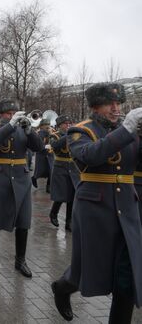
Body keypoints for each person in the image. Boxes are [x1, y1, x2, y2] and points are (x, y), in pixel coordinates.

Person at [52, 83, 142, 323]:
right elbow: (90, 155)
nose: (115, 108)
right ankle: (63, 287)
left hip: (127, 207)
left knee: (127, 276)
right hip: (95, 208)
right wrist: (127, 129)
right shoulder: (80, 131)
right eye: (108, 104)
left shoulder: (131, 130)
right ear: (95, 106)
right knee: (87, 268)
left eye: (118, 103)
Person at [0, 99, 43, 278]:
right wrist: (10, 125)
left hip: (21, 175)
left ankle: (20, 260)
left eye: (15, 113)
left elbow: (38, 147)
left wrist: (29, 130)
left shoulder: (23, 128)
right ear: (2, 115)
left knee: (23, 220)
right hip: (1, 175)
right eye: (9, 113)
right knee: (3, 216)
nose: (13, 116)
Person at [48, 115, 78, 231]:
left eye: (69, 123)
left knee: (72, 195)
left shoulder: (73, 135)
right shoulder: (54, 136)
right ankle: (53, 213)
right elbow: (54, 146)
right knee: (61, 195)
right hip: (60, 166)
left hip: (73, 167)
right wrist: (68, 136)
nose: (68, 125)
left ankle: (69, 221)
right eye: (65, 123)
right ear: (60, 125)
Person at [31, 119, 54, 192]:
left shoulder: (51, 132)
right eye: (46, 125)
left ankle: (49, 186)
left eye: (49, 125)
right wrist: (45, 146)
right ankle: (34, 178)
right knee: (39, 171)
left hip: (50, 154)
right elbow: (38, 144)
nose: (48, 126)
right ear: (42, 126)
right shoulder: (39, 133)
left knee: (51, 170)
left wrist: (51, 134)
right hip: (41, 155)